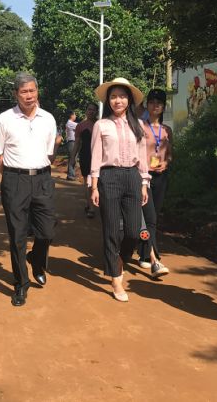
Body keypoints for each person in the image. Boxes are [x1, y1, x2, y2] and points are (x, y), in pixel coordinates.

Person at [0, 72, 57, 307]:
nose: (28, 96)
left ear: (38, 91)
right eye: (23, 92)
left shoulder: (48, 119)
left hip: (43, 179)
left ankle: (36, 260)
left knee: (47, 231)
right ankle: (21, 285)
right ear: (15, 94)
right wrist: (12, 177)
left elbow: (49, 152)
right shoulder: (4, 120)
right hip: (15, 180)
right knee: (17, 235)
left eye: (32, 91)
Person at [89, 78, 150, 302]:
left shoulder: (139, 126)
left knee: (134, 231)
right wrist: (94, 186)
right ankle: (115, 278)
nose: (118, 100)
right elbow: (96, 156)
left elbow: (143, 157)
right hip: (109, 178)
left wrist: (144, 183)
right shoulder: (101, 125)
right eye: (113, 96)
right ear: (108, 100)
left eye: (122, 96)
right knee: (112, 230)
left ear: (129, 100)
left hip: (133, 178)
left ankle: (120, 260)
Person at [138, 89, 172, 277]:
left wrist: (166, 163)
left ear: (163, 107)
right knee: (148, 216)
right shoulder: (139, 127)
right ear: (147, 105)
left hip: (161, 176)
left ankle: (143, 254)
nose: (155, 105)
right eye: (152, 102)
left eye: (159, 102)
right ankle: (154, 259)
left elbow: (170, 153)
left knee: (154, 217)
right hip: (143, 176)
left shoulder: (167, 130)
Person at [72, 103, 99, 218]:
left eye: (93, 110)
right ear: (86, 111)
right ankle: (90, 206)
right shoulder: (80, 126)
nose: (91, 112)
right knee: (87, 182)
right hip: (85, 155)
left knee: (99, 182)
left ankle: (95, 203)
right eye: (89, 109)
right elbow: (77, 142)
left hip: (99, 157)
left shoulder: (100, 124)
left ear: (96, 112)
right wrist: (72, 158)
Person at [65, 111, 78, 180]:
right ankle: (71, 175)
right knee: (72, 158)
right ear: (71, 115)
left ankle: (70, 174)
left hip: (72, 142)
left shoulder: (70, 123)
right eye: (75, 115)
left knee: (72, 158)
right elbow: (79, 127)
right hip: (72, 142)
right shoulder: (70, 123)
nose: (75, 116)